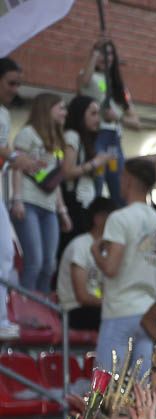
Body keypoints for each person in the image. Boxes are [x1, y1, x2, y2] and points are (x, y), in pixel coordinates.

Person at [93, 157, 156, 371]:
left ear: (128, 180)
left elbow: (111, 268)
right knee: (143, 390)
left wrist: (95, 252)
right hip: (149, 314)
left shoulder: (120, 218)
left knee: (107, 387)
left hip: (120, 311)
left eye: (121, 176)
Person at [11, 93, 70, 292]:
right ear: (47, 108)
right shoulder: (28, 133)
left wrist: (62, 210)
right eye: (61, 108)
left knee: (49, 264)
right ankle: (26, 309)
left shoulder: (57, 140)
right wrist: (17, 199)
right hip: (28, 201)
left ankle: (42, 308)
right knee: (34, 261)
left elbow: (56, 179)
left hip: (50, 206)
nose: (65, 112)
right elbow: (16, 167)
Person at [0, 57, 39, 339]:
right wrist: (15, 157)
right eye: (10, 83)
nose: (15, 89)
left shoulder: (3, 112)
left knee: (5, 254)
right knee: (4, 253)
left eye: (18, 84)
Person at [77, 38, 140, 202]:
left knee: (118, 187)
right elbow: (83, 81)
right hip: (96, 136)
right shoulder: (88, 78)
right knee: (96, 184)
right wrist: (95, 50)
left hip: (114, 141)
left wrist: (117, 117)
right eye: (102, 53)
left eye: (110, 53)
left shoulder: (120, 87)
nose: (106, 57)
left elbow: (136, 122)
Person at [57, 197, 116, 331]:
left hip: (95, 308)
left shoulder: (108, 249)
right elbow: (82, 296)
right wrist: (112, 302)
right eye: (112, 219)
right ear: (98, 218)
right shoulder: (80, 245)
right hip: (73, 311)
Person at [61, 94, 106, 236]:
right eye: (93, 114)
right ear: (80, 114)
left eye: (98, 114)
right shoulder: (72, 136)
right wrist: (95, 163)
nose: (98, 119)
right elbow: (67, 171)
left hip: (84, 203)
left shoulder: (86, 139)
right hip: (74, 203)